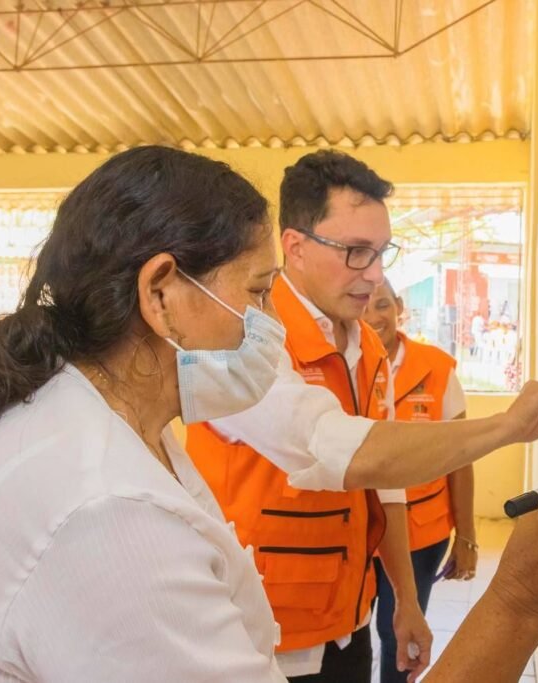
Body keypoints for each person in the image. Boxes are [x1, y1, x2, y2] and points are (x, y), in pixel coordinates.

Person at [0, 146, 538, 682]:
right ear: (162, 292)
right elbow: (336, 446)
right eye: (258, 293)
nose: (266, 324)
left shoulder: (105, 423)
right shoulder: (106, 514)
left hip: (338, 612)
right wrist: (522, 601)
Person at [186, 151, 429, 682]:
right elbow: (328, 445)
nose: (374, 275)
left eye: (382, 253)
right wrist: (502, 429)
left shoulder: (368, 346)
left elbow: (387, 484)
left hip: (350, 619)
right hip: (265, 635)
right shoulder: (244, 337)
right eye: (356, 252)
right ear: (294, 246)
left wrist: (404, 601)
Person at [363, 278, 475, 683]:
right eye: (363, 307)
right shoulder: (342, 365)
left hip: (418, 537)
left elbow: (462, 458)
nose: (373, 317)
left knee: (400, 637)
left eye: (382, 305)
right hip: (355, 532)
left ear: (399, 306)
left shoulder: (437, 368)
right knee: (352, 635)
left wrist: (467, 536)